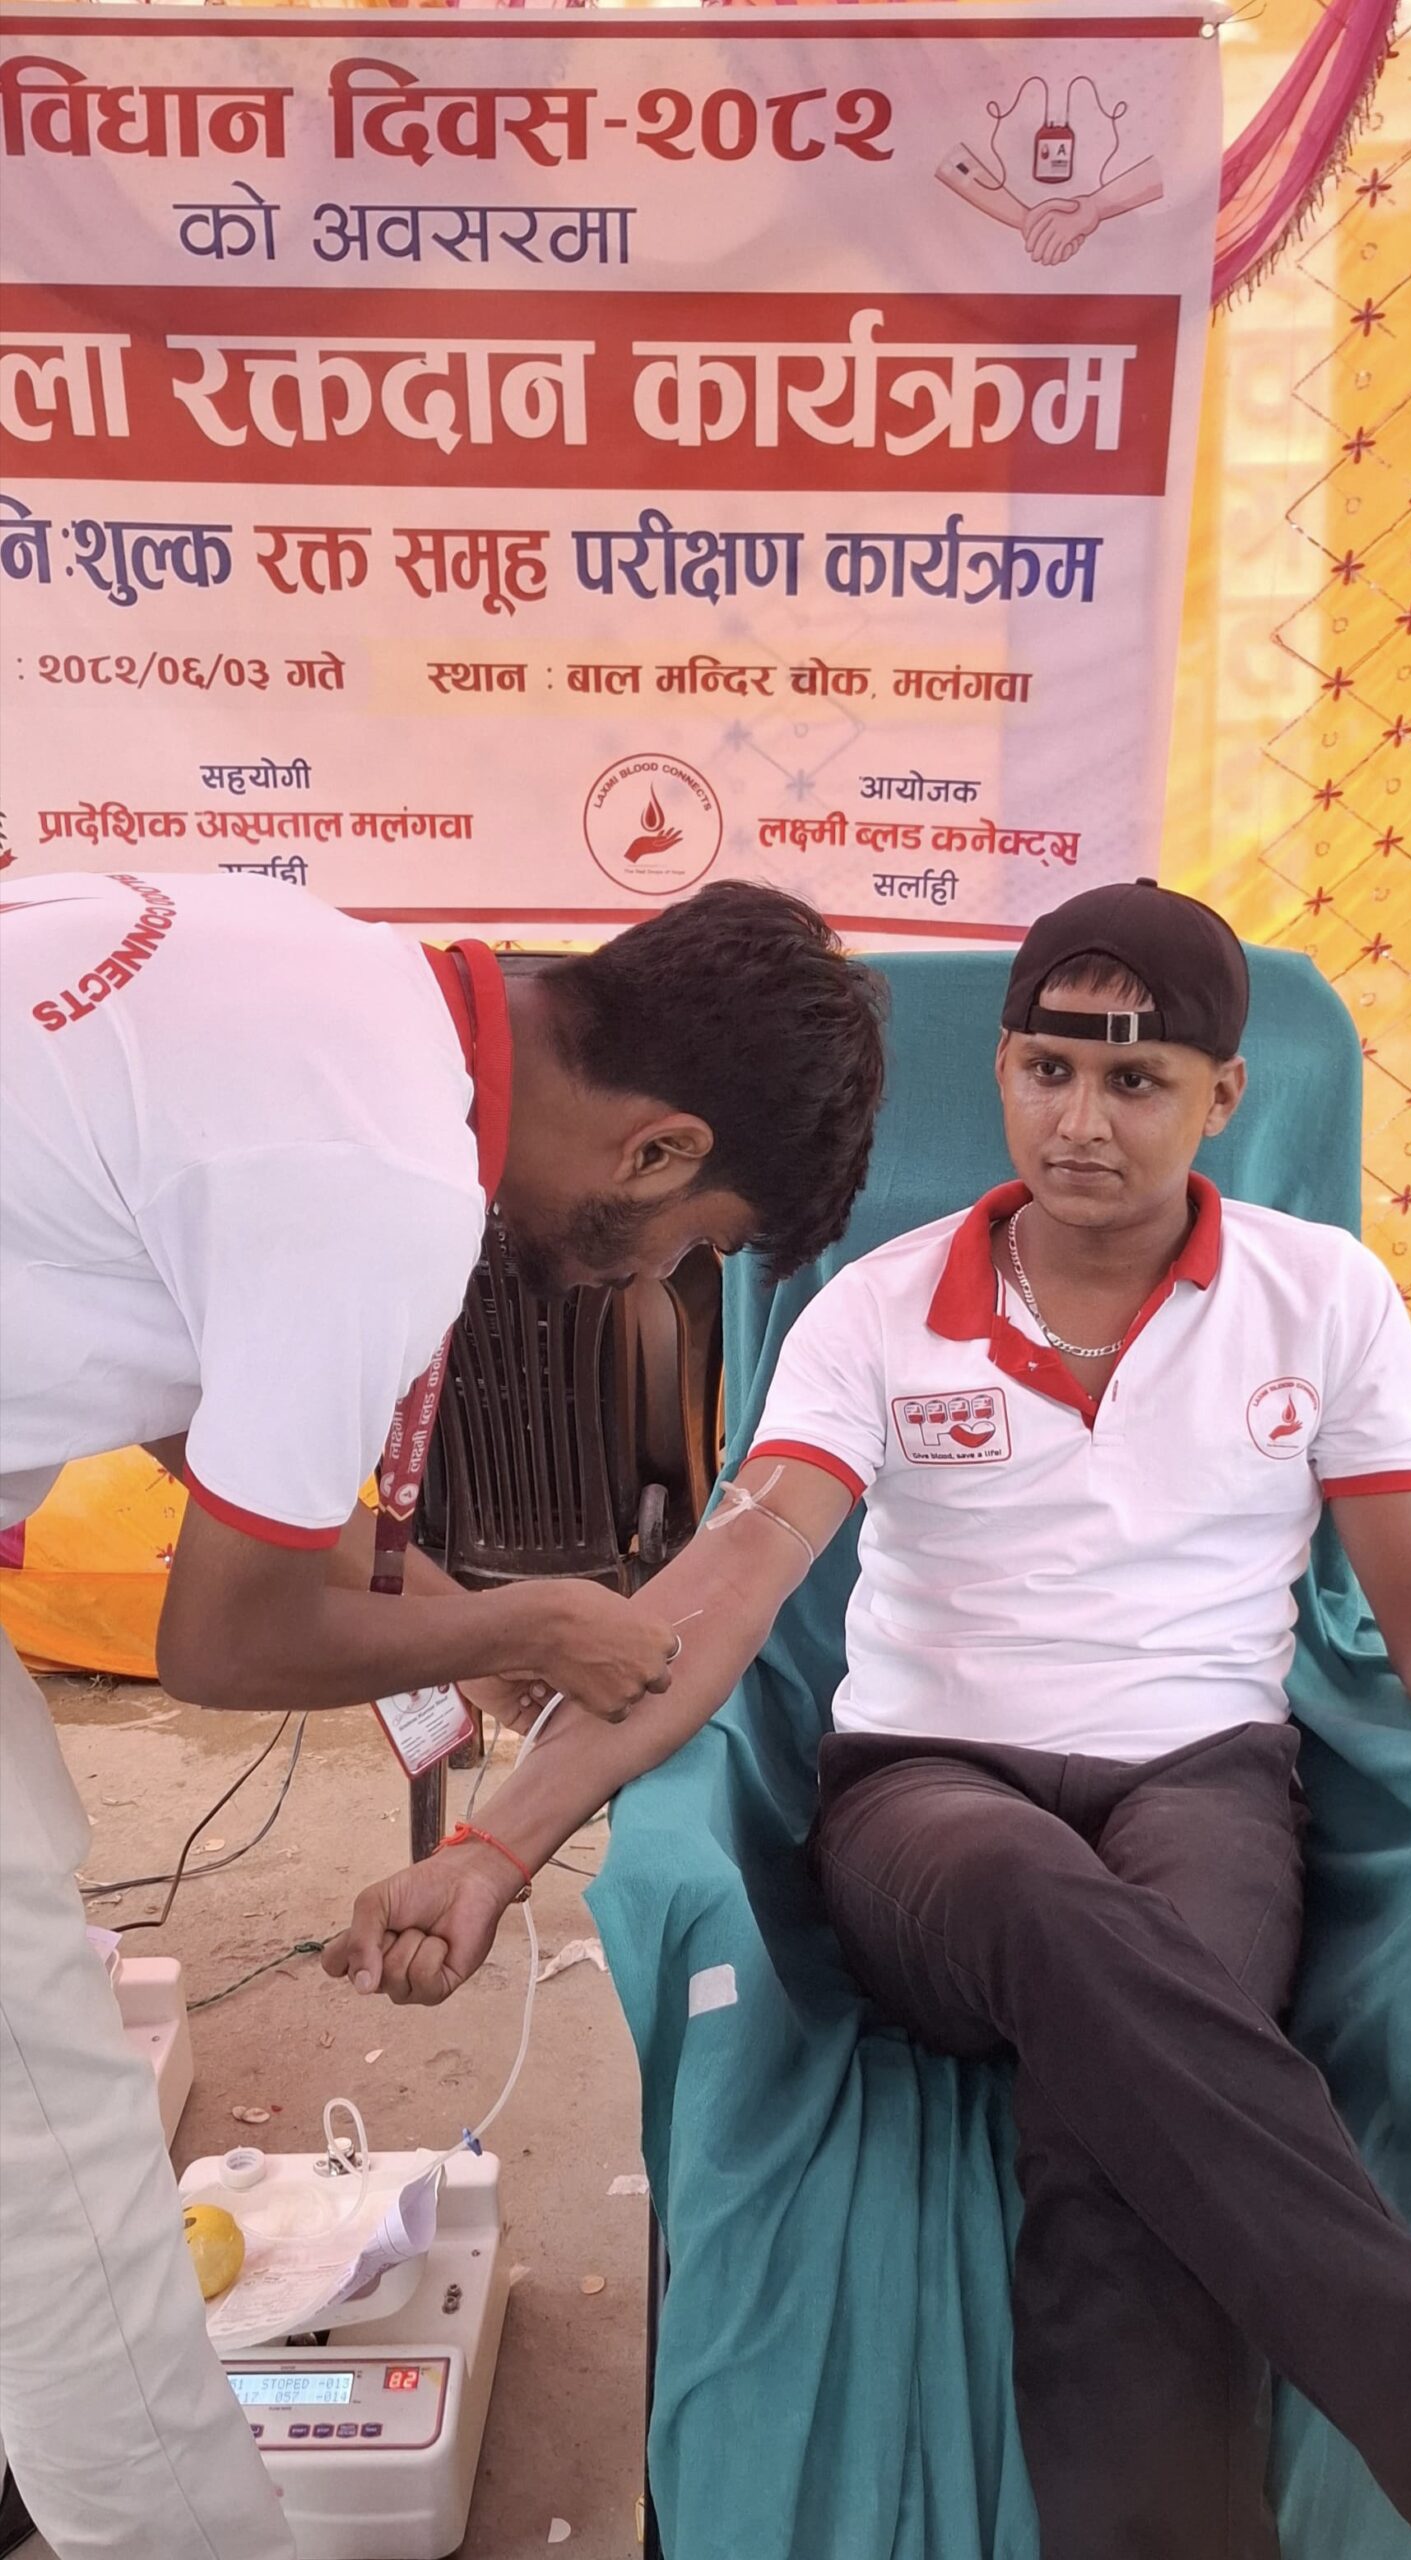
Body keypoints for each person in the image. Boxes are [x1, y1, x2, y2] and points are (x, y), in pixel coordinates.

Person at [331, 880, 1411, 2560]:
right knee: (1067, 1918)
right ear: (999, 1073)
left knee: (1126, 2116)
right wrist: (494, 1846)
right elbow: (721, 1592)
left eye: (1134, 1082)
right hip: (927, 1801)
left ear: (1222, 1098)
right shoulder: (877, 1305)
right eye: (1046, 1071)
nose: (1080, 1122)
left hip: (1207, 1782)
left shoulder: (1322, 1297)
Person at [0, 867, 886, 2560]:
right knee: (54, 2176)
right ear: (657, 1149)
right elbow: (224, 1642)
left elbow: (220, 1419)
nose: (640, 1285)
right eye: (687, 1248)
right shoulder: (388, 1188)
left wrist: (444, 1640)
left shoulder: (331, 984)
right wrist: (529, 1620)